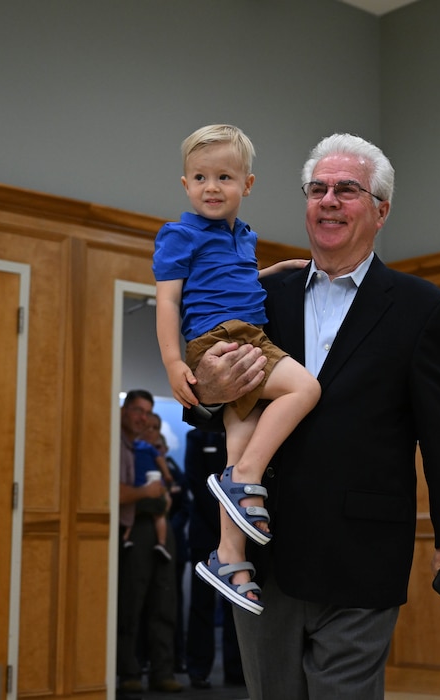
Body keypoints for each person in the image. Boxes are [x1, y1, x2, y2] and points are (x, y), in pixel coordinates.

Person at [185, 133, 440, 700]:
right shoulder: (261, 295)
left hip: (361, 556)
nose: (329, 199)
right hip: (262, 554)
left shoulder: (421, 309)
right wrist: (204, 392)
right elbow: (216, 401)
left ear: (381, 210)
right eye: (317, 188)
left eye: (347, 189)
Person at [153, 124, 321, 616]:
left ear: (247, 184)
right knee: (305, 389)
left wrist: (272, 271)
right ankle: (244, 478)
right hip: (223, 340)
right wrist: (172, 361)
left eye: (224, 176)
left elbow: (234, 279)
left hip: (247, 329)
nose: (211, 187)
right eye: (200, 177)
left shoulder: (243, 237)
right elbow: (167, 301)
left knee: (241, 436)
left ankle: (230, 555)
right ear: (185, 185)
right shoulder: (179, 234)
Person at [116, 390, 183, 694]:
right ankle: (128, 672)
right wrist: (147, 493)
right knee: (131, 601)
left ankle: (162, 671)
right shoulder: (117, 447)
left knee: (164, 601)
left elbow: (173, 491)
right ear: (124, 412)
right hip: (135, 526)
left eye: (148, 413)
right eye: (137, 411)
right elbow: (117, 493)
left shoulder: (152, 451)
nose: (143, 419)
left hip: (160, 526)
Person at [183, 428, 245, 689]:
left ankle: (237, 671)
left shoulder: (243, 433)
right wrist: (224, 522)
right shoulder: (198, 437)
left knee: (237, 605)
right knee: (202, 605)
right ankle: (198, 669)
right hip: (205, 533)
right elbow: (196, 482)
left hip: (240, 536)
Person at [132, 413, 175, 562]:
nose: (150, 431)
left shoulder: (155, 455)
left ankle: (161, 544)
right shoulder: (128, 450)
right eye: (147, 426)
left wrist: (166, 485)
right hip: (136, 520)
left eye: (155, 428)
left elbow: (166, 478)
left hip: (157, 513)